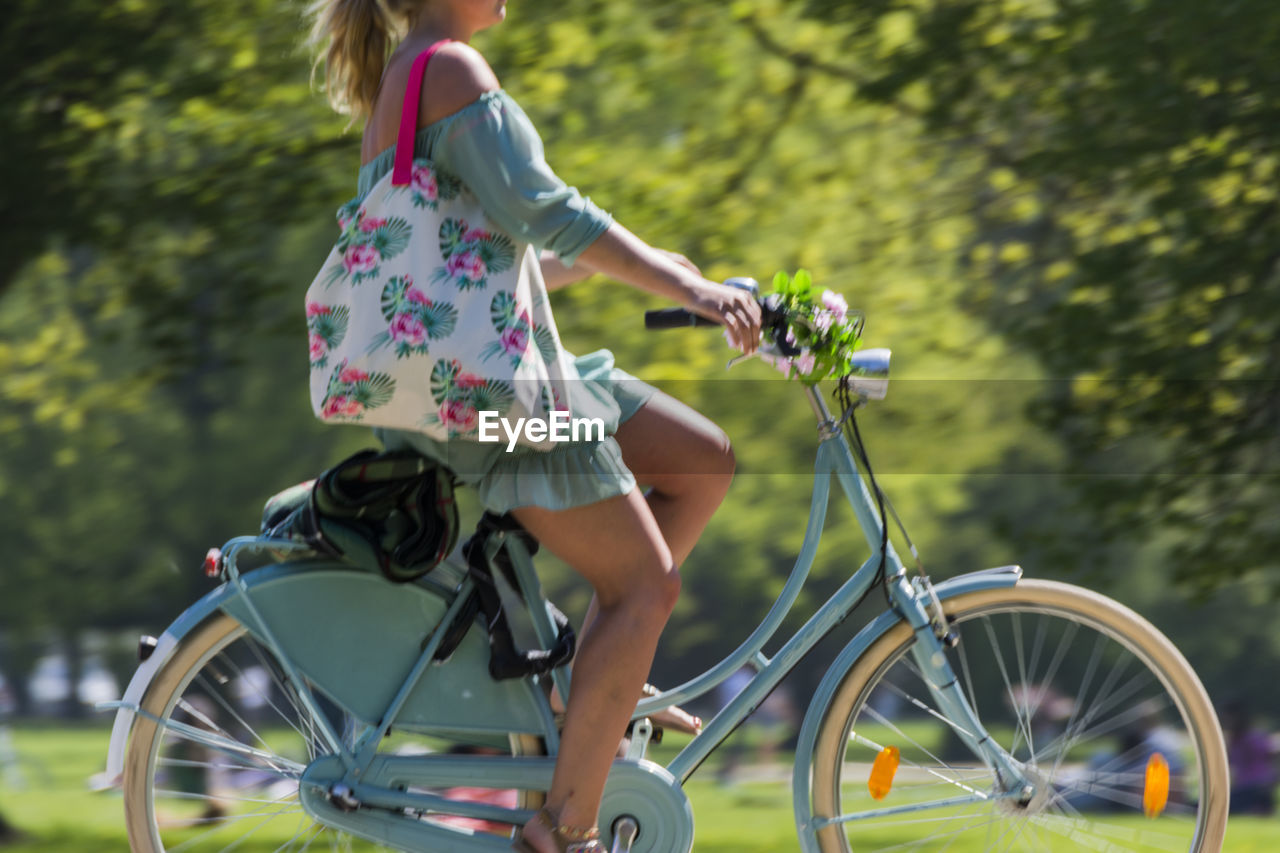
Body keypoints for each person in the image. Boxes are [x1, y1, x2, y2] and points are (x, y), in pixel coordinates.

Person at [305, 1, 762, 851]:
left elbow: (471, 246)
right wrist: (682, 286)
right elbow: (547, 210)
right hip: (493, 409)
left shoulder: (414, 76)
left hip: (501, 377)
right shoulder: (447, 69)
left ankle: (593, 690)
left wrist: (620, 271)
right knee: (647, 588)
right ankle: (564, 829)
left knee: (702, 462)